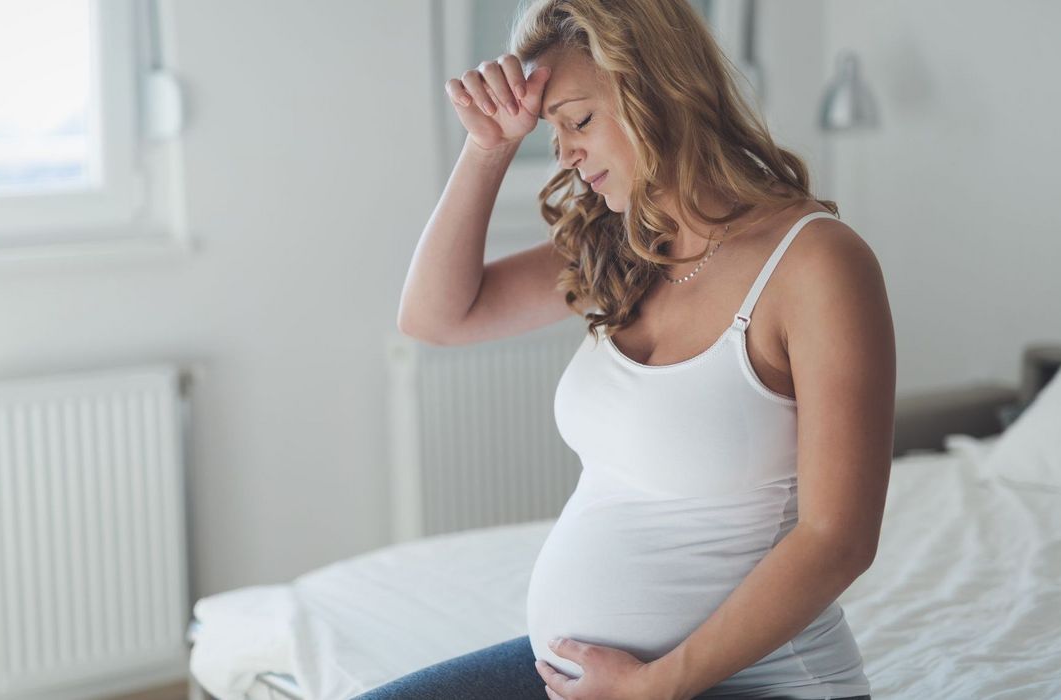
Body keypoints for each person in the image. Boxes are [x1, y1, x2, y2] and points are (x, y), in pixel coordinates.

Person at [373, 0, 895, 698]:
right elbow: (435, 318)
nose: (563, 152)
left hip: (754, 685)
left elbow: (838, 540)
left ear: (659, 91)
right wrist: (489, 147)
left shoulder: (817, 265)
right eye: (550, 131)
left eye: (579, 120)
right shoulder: (622, 245)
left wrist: (652, 687)